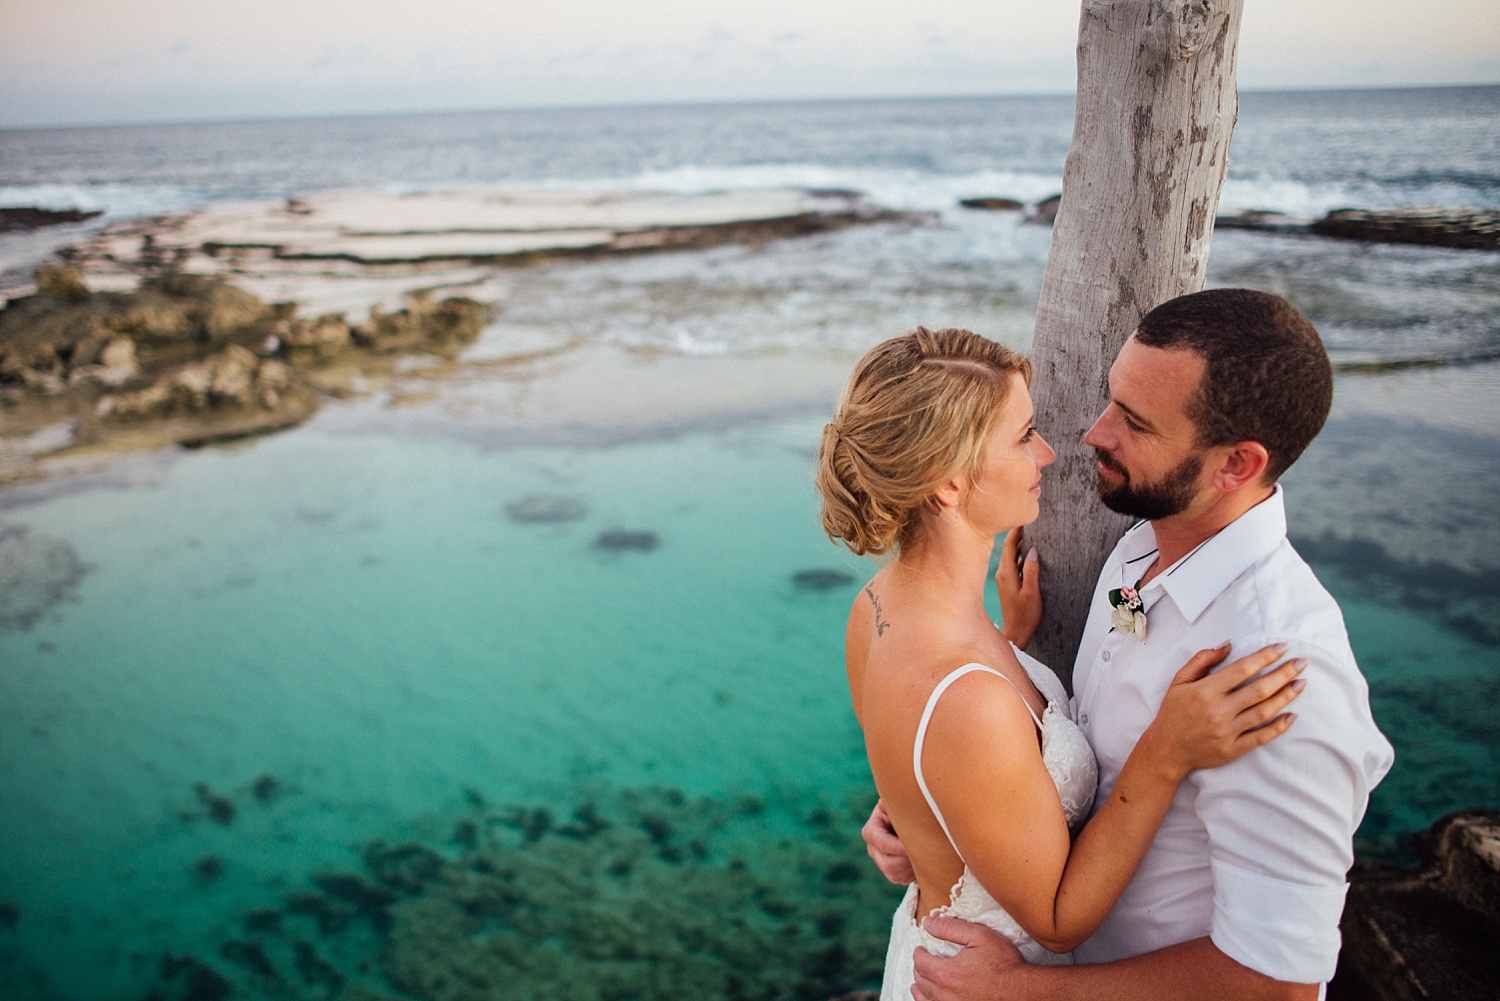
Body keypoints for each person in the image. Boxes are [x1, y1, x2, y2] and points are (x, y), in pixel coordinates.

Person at [864, 289, 1394, 1000]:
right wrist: (936, 809)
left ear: (1236, 464)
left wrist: (1023, 990)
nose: (1092, 432)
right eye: (1112, 399)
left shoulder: (1280, 673)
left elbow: (1280, 985)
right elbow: (1064, 737)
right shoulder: (1138, 548)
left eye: (1134, 422)